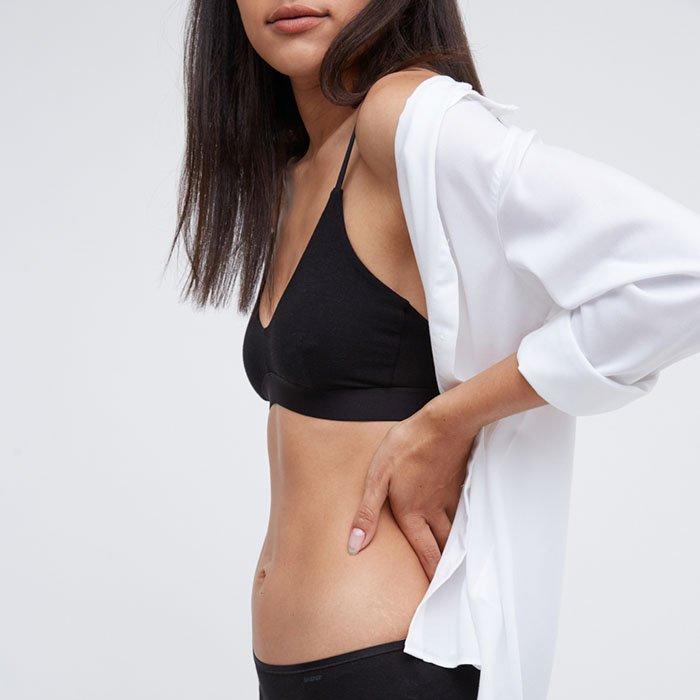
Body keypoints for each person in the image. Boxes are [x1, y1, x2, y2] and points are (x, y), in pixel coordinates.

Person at [169, 2, 700, 698]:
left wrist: (448, 421)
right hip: (302, 671)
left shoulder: (403, 117)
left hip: (391, 666)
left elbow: (682, 272)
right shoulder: (297, 165)